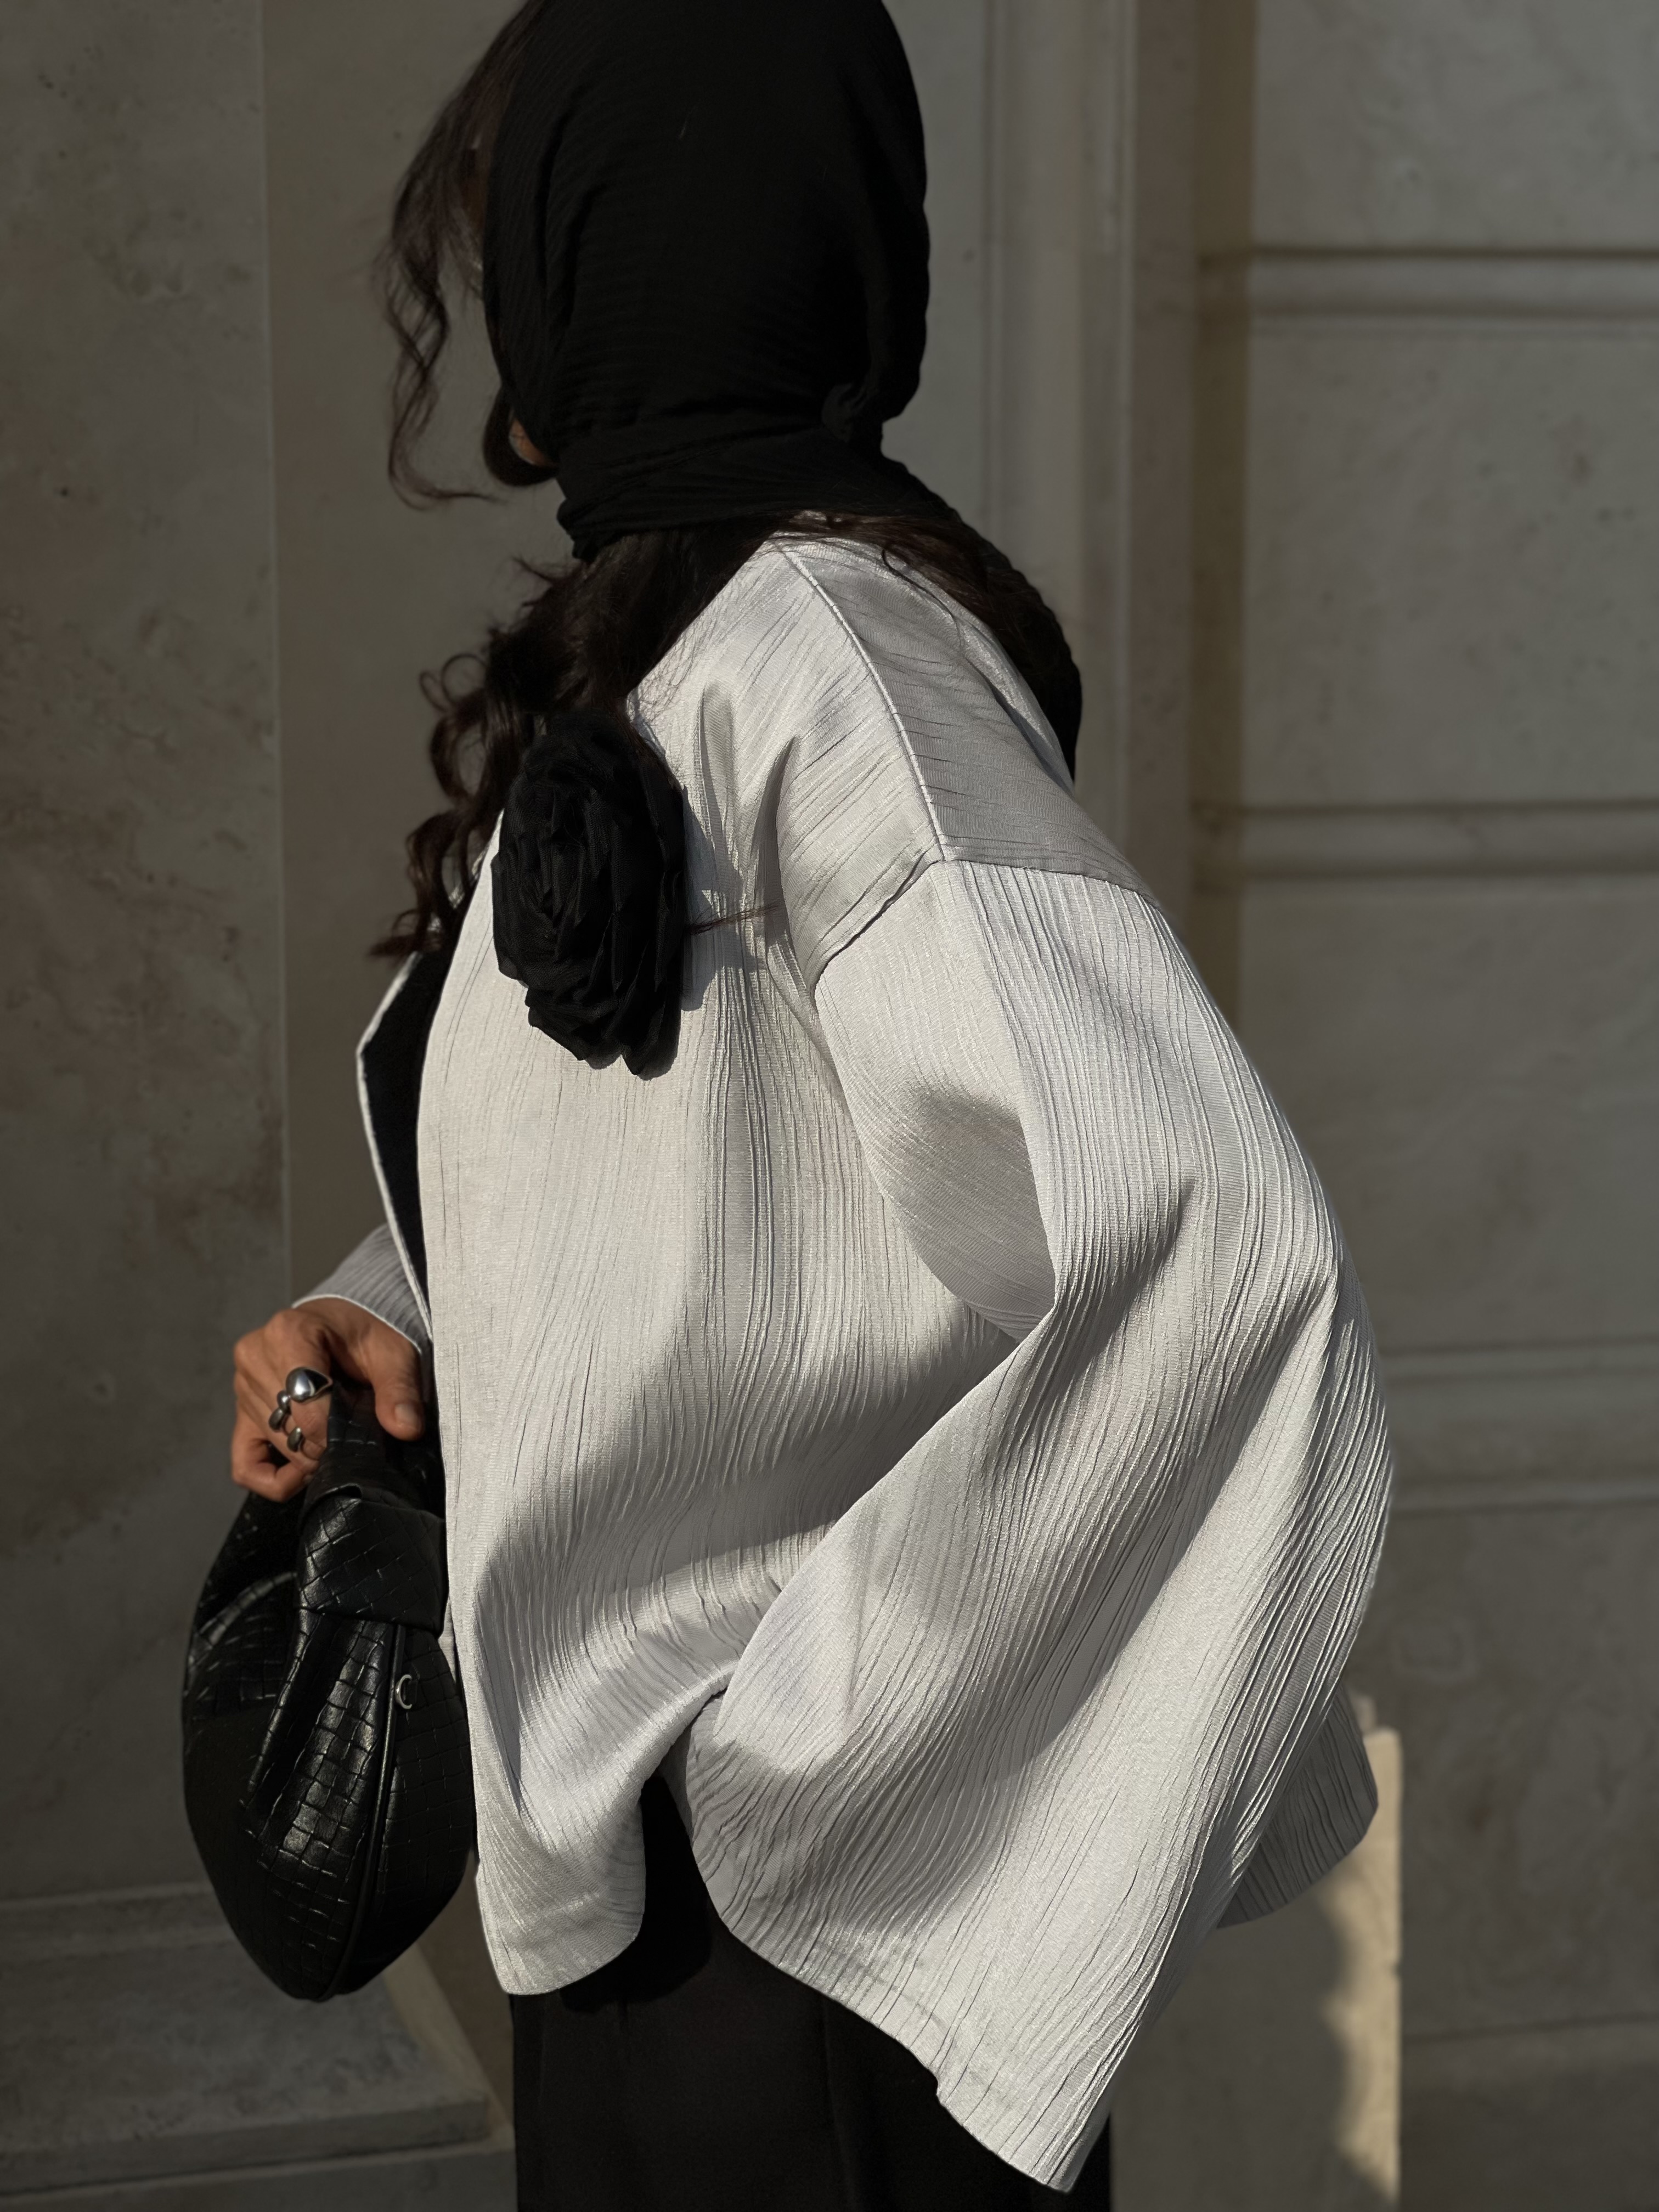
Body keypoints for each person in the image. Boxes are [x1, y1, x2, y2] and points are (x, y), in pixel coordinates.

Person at [230, 3, 1393, 2205]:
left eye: (523, 222)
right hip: (663, 1928)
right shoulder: (692, 655)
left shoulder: (830, 669)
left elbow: (1218, 1257)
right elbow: (714, 1190)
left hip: (792, 1950)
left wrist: (803, 1757)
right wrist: (401, 1305)